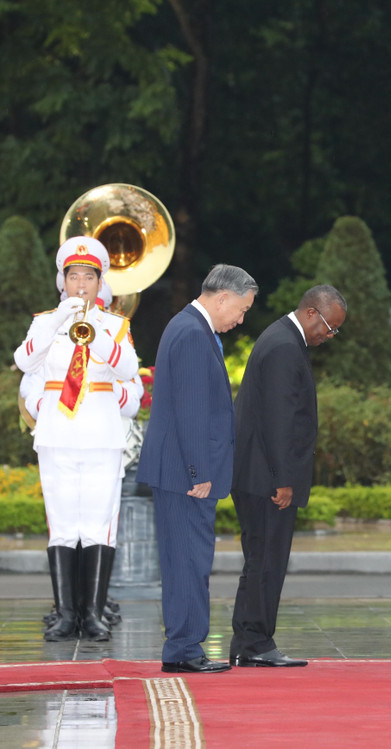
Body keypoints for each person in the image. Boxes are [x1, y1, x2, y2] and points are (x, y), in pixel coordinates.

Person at [13, 237, 139, 642]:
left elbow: (128, 370)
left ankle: (93, 614)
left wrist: (96, 331)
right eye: (73, 277)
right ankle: (66, 614)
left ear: (100, 282)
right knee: (64, 526)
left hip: (101, 436)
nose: (80, 284)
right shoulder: (45, 322)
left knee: (99, 526)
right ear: (62, 281)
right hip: (58, 435)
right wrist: (56, 324)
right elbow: (23, 360)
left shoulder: (115, 325)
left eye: (88, 277)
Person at [137, 264, 258, 674]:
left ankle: (183, 646)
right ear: (222, 298)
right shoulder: (192, 332)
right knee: (188, 561)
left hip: (179, 471)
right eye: (241, 309)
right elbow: (190, 410)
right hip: (185, 474)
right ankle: (185, 649)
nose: (240, 319)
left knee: (185, 560)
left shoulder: (188, 326)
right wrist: (198, 471)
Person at [229, 285, 346, 667]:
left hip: (259, 473)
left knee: (260, 559)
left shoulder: (281, 338)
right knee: (267, 561)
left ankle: (248, 641)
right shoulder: (284, 346)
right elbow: (278, 420)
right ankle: (256, 644)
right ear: (311, 312)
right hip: (267, 478)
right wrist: (283, 479)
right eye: (329, 326)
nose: (329, 335)